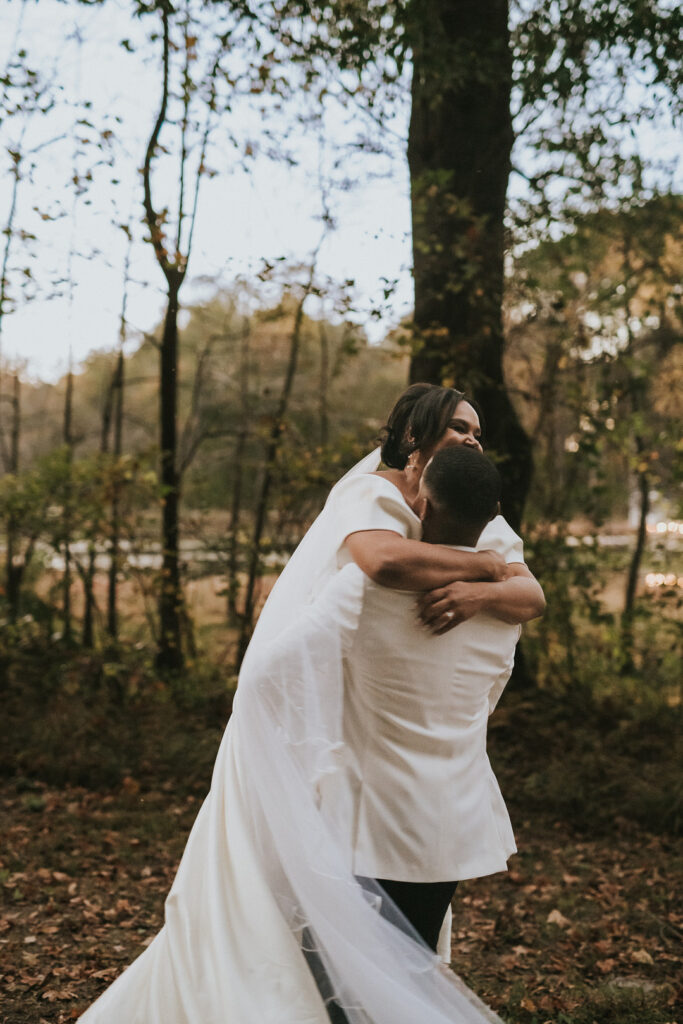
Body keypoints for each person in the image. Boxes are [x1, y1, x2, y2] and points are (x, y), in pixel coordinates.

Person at [77, 384, 543, 1024]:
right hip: (376, 768)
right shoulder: (370, 493)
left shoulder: (475, 513)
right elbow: (381, 561)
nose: (471, 440)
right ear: (415, 438)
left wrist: (479, 593)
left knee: (375, 955)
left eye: (478, 433)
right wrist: (487, 569)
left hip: (418, 786)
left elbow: (533, 595)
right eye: (460, 427)